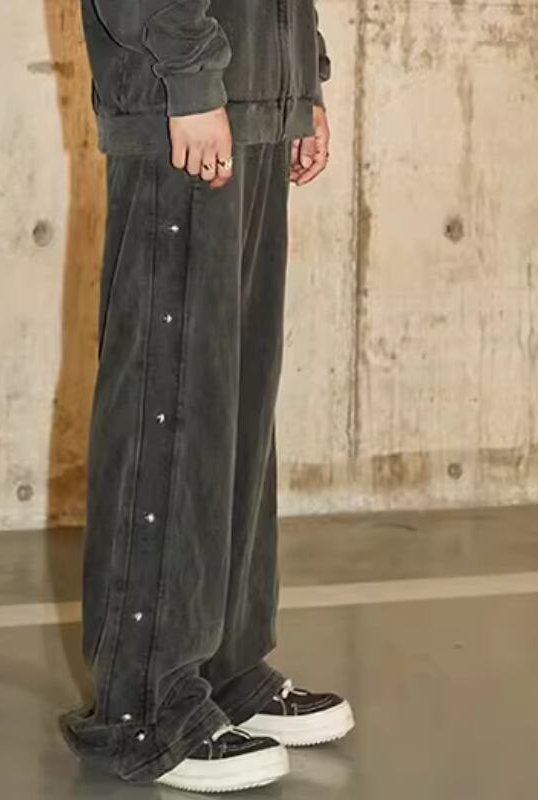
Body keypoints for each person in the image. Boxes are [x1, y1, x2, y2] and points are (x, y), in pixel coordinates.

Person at [59, 0, 354, 793]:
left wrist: (302, 84)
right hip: (181, 103)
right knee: (171, 401)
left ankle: (223, 670)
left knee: (235, 407)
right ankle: (144, 706)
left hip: (247, 100)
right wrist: (190, 81)